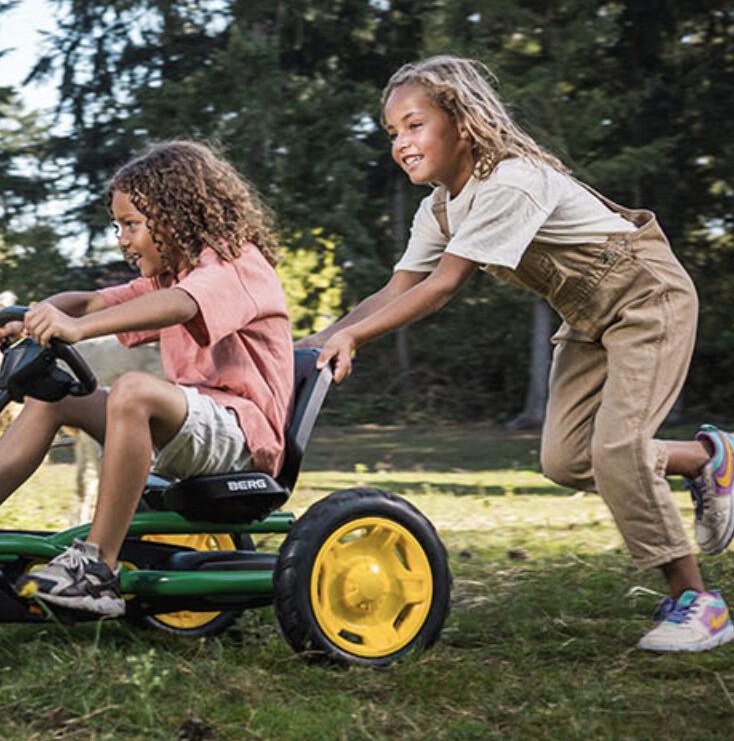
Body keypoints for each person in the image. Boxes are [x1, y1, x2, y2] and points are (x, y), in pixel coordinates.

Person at [298, 55, 734, 653]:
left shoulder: (511, 181)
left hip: (647, 299)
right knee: (567, 460)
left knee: (617, 450)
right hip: (589, 318)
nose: (401, 143)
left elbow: (442, 286)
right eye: (393, 132)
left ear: (462, 123)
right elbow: (396, 289)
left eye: (415, 125)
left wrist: (355, 339)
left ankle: (699, 603)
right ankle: (708, 458)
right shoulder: (440, 207)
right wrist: (319, 339)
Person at [0, 140, 294, 616]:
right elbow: (94, 301)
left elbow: (184, 304)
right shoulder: (170, 277)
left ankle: (97, 569)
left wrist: (79, 328)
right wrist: (31, 314)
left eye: (132, 225)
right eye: (117, 226)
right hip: (195, 430)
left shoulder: (237, 264)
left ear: (176, 215)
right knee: (55, 395)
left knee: (132, 391)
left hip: (244, 439)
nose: (122, 240)